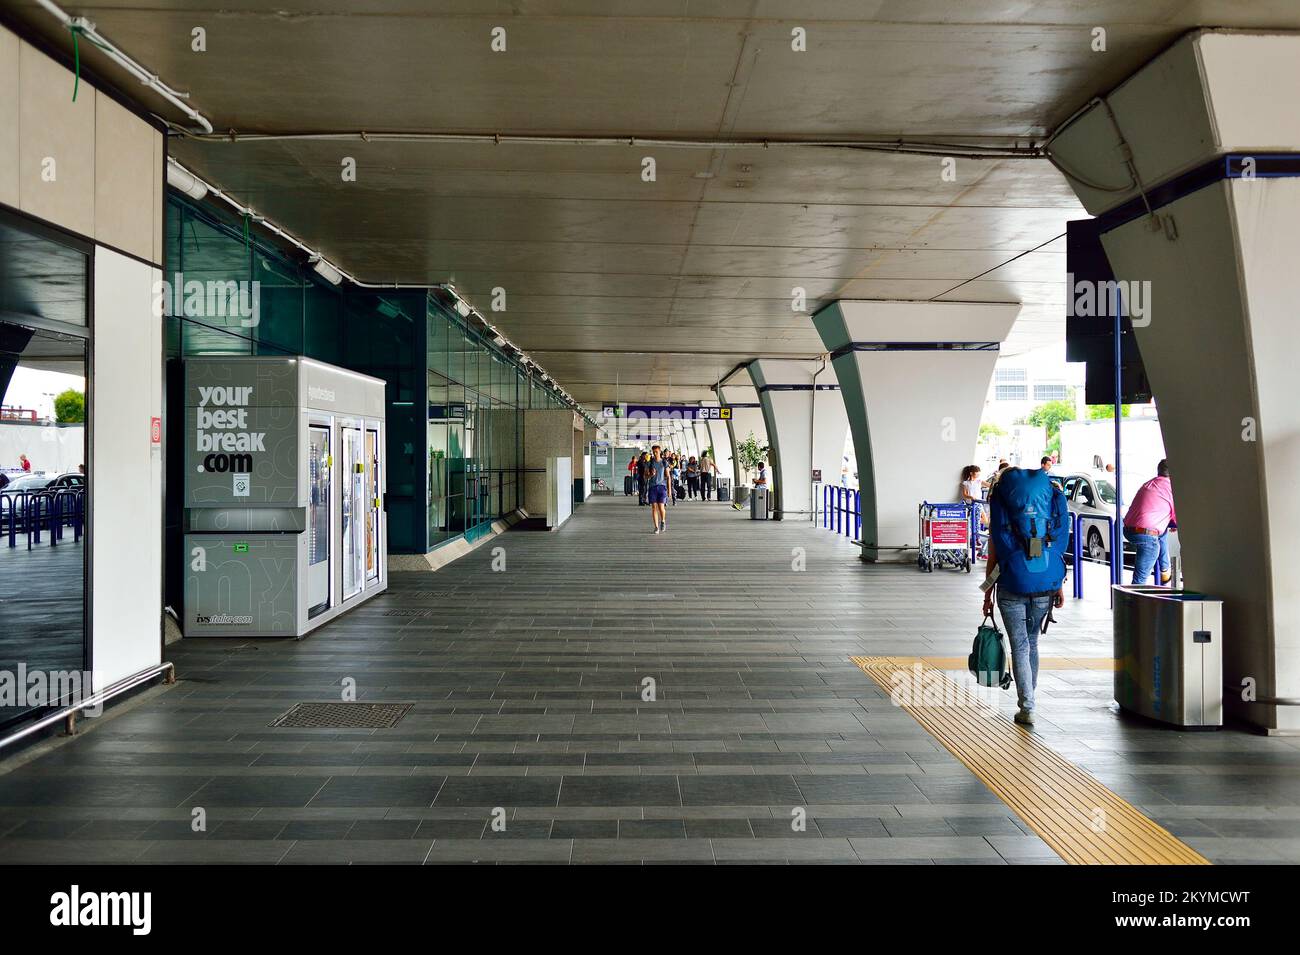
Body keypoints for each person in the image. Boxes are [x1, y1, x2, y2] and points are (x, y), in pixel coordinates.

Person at [981, 467, 1069, 726]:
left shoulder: (1001, 505)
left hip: (1012, 583)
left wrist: (987, 594)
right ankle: (1030, 698)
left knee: (1019, 645)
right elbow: (1055, 550)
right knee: (1032, 643)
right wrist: (1059, 586)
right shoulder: (1048, 501)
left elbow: (994, 556)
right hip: (1045, 582)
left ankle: (1027, 705)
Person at [1123, 459, 1177, 585]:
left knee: (1161, 534)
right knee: (1139, 580)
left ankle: (1165, 569)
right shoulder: (1171, 488)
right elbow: (1176, 515)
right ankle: (1134, 603)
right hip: (1146, 535)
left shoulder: (1149, 484)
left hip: (1128, 529)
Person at [647, 445, 670, 533]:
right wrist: (650, 475)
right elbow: (645, 476)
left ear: (660, 452)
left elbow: (668, 476)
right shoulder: (650, 463)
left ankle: (663, 521)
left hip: (662, 487)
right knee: (654, 507)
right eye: (654, 452)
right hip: (652, 487)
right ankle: (656, 527)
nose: (655, 453)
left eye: (656, 452)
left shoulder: (664, 462)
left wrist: (669, 490)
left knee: (661, 507)